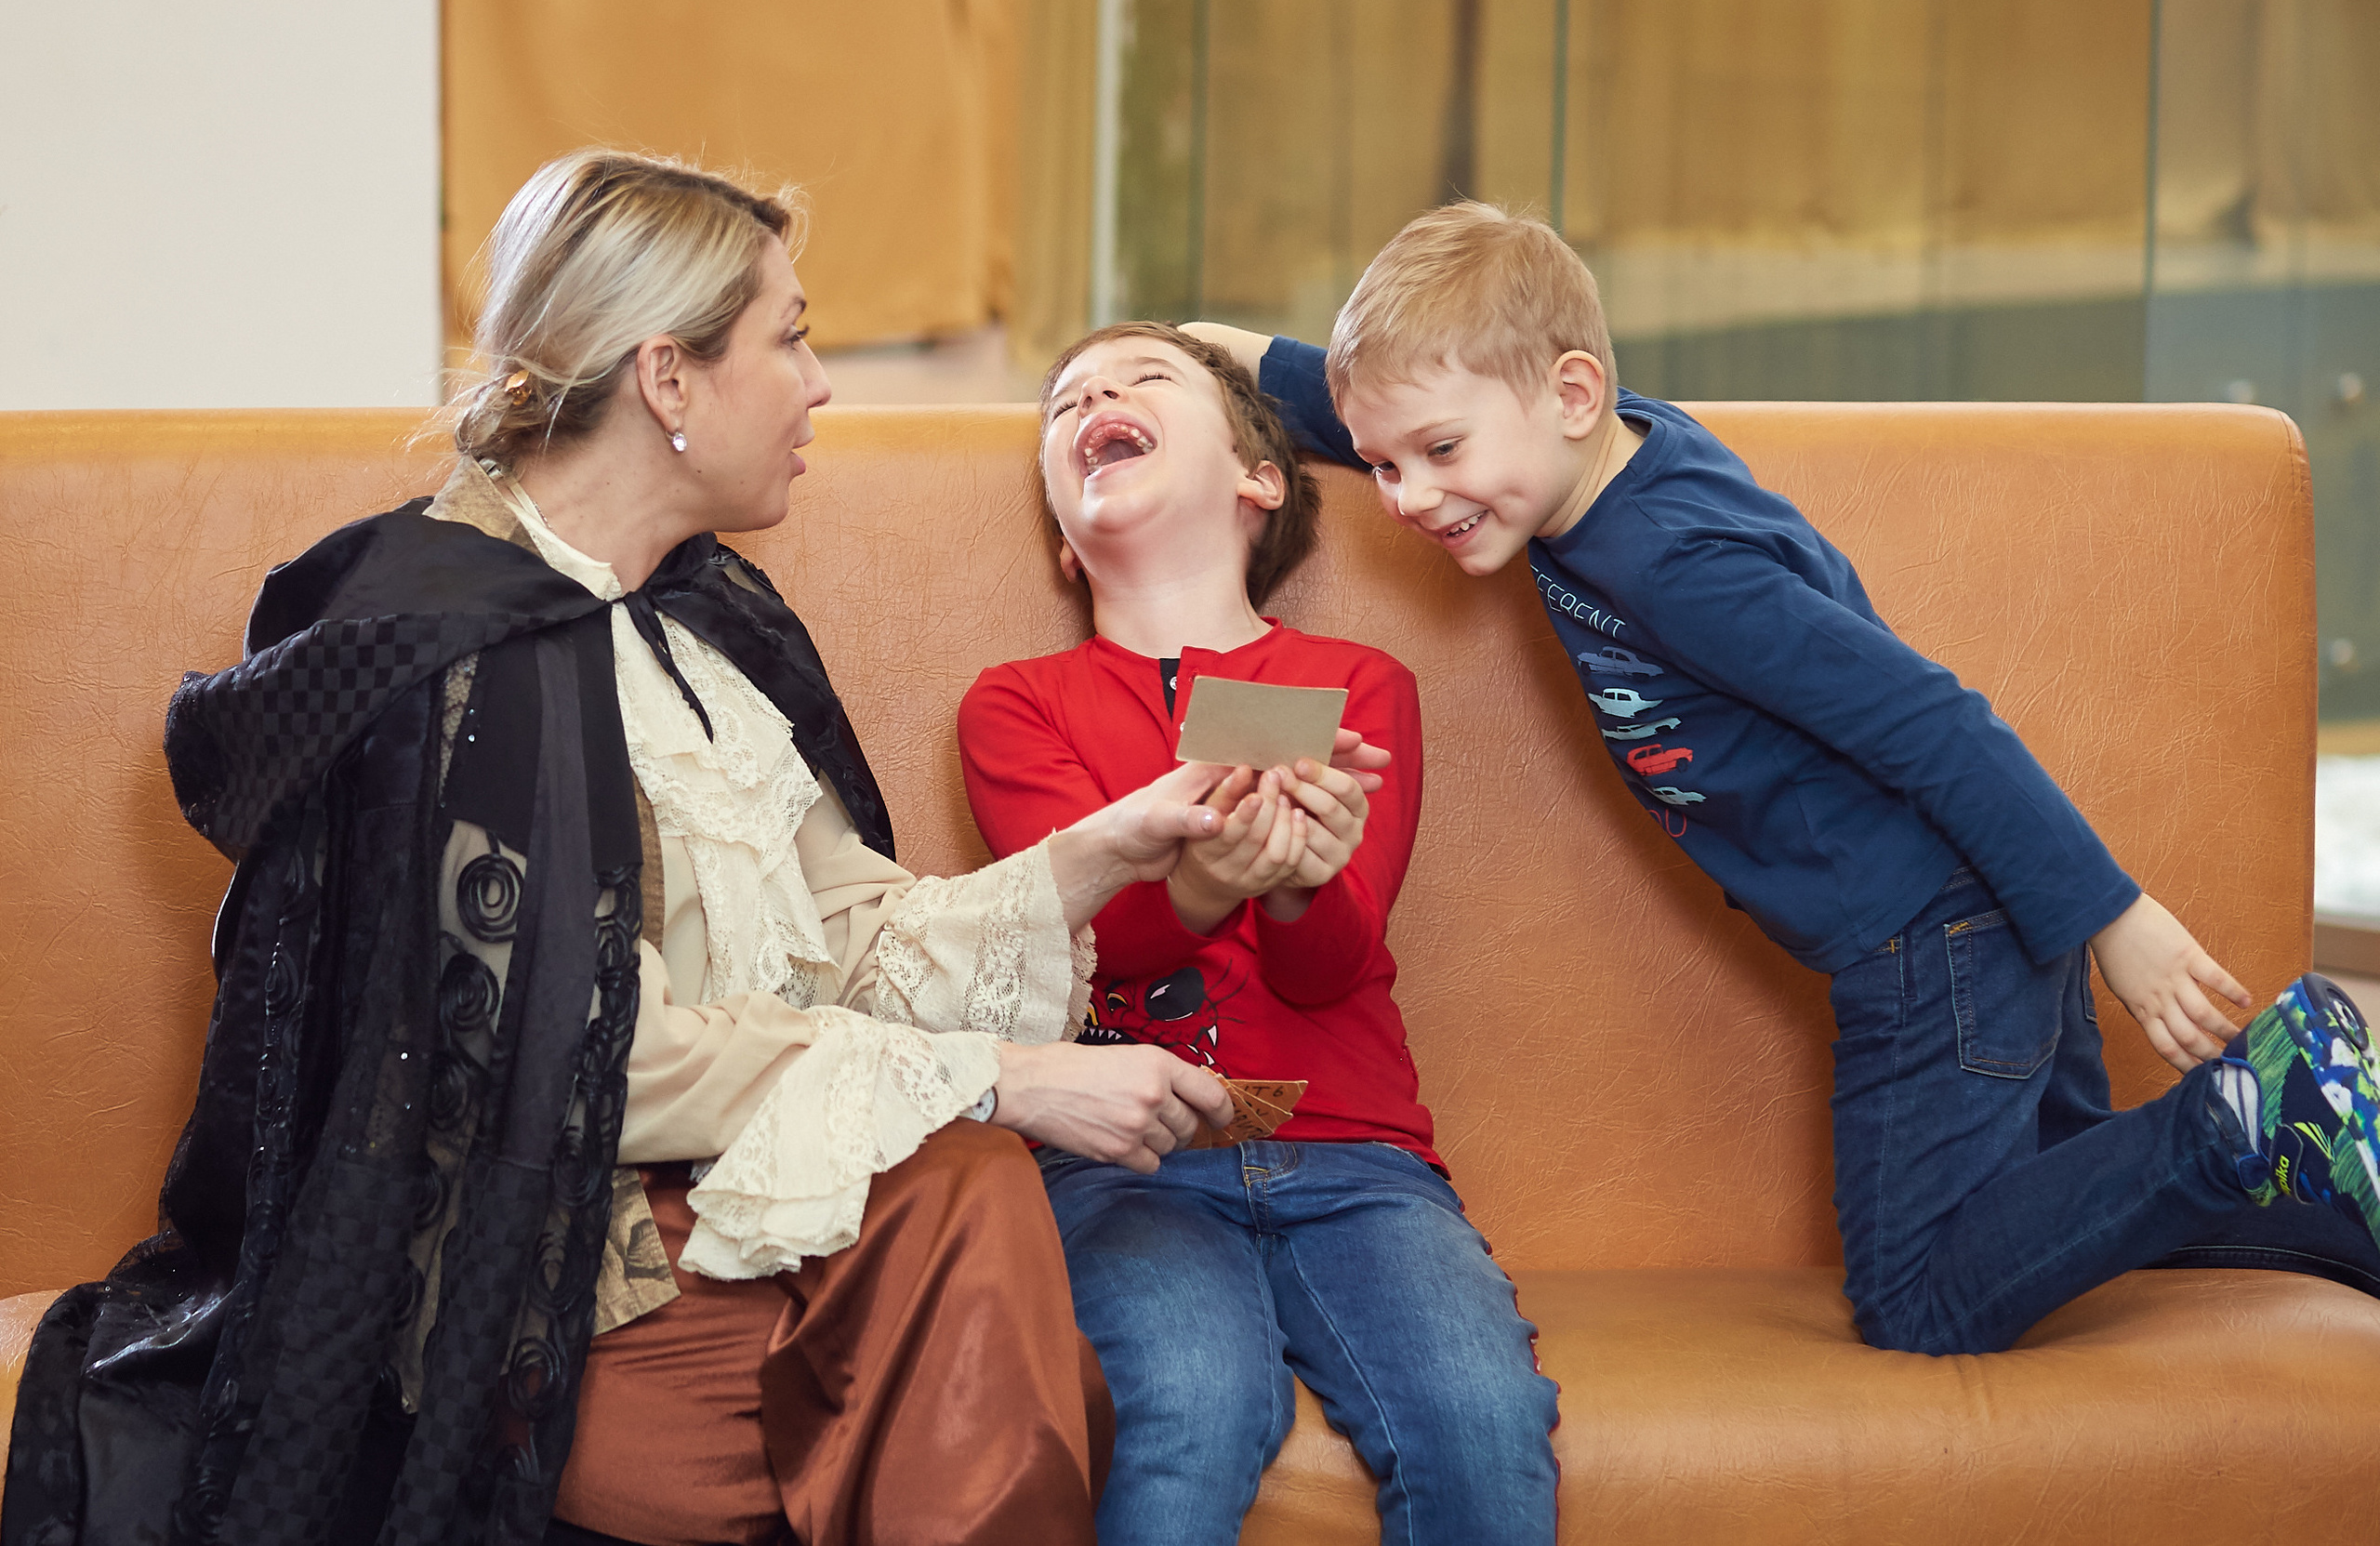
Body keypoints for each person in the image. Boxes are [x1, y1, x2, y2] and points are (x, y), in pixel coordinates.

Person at [0, 152, 1248, 1546]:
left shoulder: (703, 624)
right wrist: (1005, 1075)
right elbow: (588, 1050)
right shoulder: (450, 643)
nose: (820, 382)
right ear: (669, 380)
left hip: (762, 1216)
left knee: (967, 1213)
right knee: (974, 1222)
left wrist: (1112, 850)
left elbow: (847, 939)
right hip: (558, 1284)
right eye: (789, 336)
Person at [1177, 201, 2380, 1358]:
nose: (1409, 498)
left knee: (1921, 1298)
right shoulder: (1572, 450)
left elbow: (1931, 721)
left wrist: (2115, 919)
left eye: (1434, 454)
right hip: (1960, 925)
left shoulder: (1677, 562)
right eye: (1384, 466)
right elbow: (1378, 397)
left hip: (1932, 940)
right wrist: (1179, 354)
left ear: (1575, 393)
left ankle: (2250, 1111)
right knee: (2071, 1195)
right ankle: (2325, 1182)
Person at [956, 322, 1560, 1546]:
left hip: (1360, 1156)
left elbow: (1333, 963)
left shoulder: (1358, 683)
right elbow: (1083, 942)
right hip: (1127, 1162)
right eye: (1066, 401)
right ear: (1065, 546)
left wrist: (1284, 886)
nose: (1098, 396)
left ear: (1259, 479)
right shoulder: (1016, 703)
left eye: (1143, 379)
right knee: (1189, 1401)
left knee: (1482, 1417)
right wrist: (1196, 889)